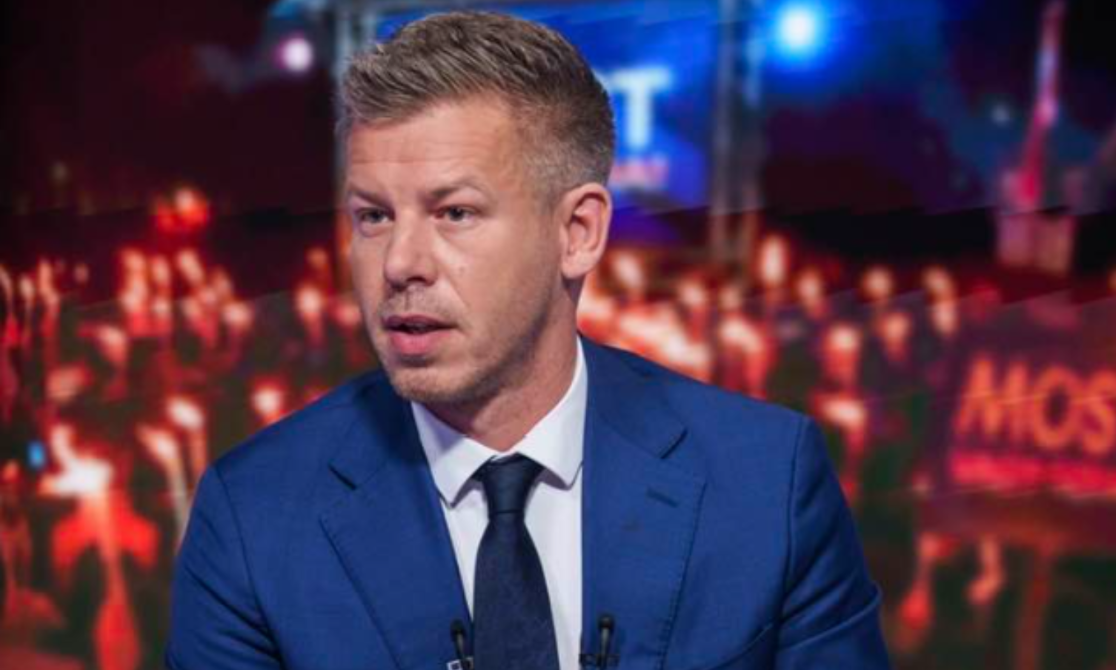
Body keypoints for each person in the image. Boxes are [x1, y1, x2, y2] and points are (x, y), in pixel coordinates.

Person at [165, 10, 889, 669]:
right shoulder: (254, 517)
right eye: (373, 217)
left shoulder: (768, 482)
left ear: (578, 232)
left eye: (454, 213)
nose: (400, 263)